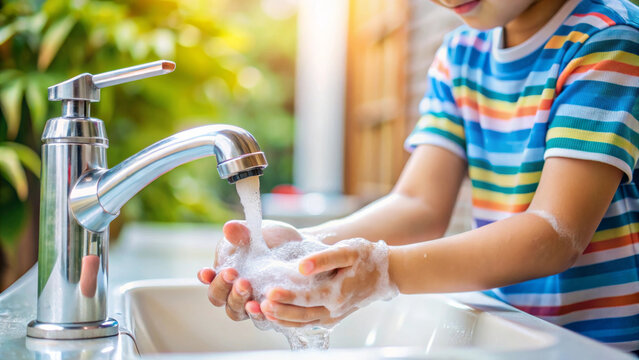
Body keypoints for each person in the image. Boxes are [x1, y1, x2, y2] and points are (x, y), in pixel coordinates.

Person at [198, 0, 639, 352]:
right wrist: (302, 248)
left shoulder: (608, 39)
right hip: (516, 329)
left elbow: (554, 234)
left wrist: (383, 271)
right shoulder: (461, 54)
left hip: (602, 345)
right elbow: (419, 205)